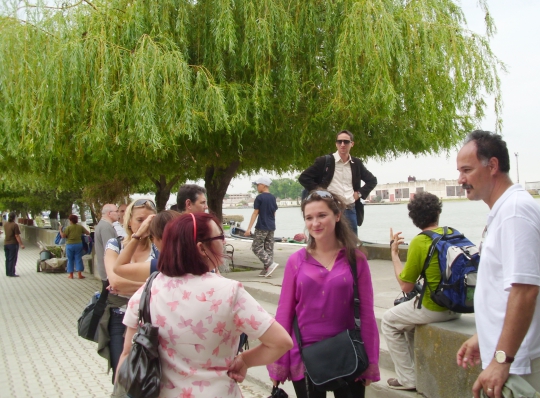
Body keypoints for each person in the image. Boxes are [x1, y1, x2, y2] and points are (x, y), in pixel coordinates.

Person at [117, 212, 293, 397]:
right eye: (220, 237)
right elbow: (280, 342)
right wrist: (245, 360)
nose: (224, 242)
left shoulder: (148, 290)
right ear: (201, 248)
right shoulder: (229, 292)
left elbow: (127, 352)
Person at [267, 190, 380, 398]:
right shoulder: (296, 261)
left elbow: (366, 314)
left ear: (337, 216)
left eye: (321, 215)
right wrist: (278, 363)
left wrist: (371, 361)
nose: (315, 223)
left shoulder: (356, 260)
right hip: (305, 355)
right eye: (309, 218)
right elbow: (284, 314)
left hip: (349, 352)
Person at [455, 131, 540, 396]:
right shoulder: (506, 211)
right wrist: (484, 336)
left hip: (519, 365)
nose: (461, 180)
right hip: (510, 358)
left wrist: (502, 359)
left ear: (492, 166)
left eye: (467, 170)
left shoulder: (515, 212)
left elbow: (525, 290)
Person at [383, 192, 460, 390]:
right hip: (456, 305)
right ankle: (415, 372)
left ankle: (407, 379)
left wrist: (394, 255)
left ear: (414, 218)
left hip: (434, 308)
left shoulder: (420, 241)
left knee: (389, 321)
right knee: (406, 322)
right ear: (438, 212)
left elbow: (405, 285)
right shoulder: (453, 232)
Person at [100, 199, 158, 386]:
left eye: (151, 220)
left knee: (150, 377)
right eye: (141, 220)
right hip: (119, 316)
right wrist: (151, 283)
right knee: (123, 372)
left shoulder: (158, 249)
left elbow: (165, 282)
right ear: (129, 221)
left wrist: (128, 284)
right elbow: (115, 281)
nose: (146, 225)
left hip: (150, 319)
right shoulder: (116, 245)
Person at [298, 130, 377, 235]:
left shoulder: (356, 163)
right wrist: (320, 193)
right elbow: (304, 178)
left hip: (349, 208)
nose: (342, 144)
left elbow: (372, 180)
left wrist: (359, 194)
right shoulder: (324, 161)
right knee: (328, 240)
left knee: (351, 244)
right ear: (336, 144)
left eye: (346, 142)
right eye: (339, 141)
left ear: (352, 144)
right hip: (329, 208)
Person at [113, 210, 181, 281]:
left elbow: (118, 268)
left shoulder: (165, 265)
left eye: (152, 236)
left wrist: (137, 235)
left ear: (160, 239)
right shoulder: (191, 260)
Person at [244, 176, 279, 277]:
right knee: (268, 248)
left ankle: (270, 264)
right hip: (271, 226)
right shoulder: (272, 197)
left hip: (262, 226)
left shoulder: (259, 198)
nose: (256, 187)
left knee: (256, 247)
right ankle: (267, 270)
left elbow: (255, 213)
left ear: (263, 185)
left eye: (257, 185)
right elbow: (274, 213)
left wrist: (249, 228)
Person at [59, 214, 90, 279]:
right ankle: (79, 274)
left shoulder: (68, 228)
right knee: (78, 259)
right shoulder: (80, 227)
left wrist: (60, 230)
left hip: (69, 245)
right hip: (78, 244)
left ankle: (71, 275)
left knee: (70, 259)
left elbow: (63, 236)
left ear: (70, 220)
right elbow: (87, 233)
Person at [94, 204, 119, 283]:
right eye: (117, 211)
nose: (118, 214)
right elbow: (110, 250)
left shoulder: (103, 225)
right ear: (109, 213)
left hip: (106, 267)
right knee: (106, 294)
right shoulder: (106, 227)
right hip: (108, 269)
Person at [3, 212, 25, 277]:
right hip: (13, 244)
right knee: (12, 259)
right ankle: (11, 273)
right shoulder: (15, 225)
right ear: (14, 217)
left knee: (7, 258)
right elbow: (17, 236)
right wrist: (21, 244)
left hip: (6, 244)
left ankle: (8, 272)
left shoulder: (5, 224)